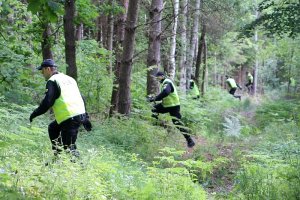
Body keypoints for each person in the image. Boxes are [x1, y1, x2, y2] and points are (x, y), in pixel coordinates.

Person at [29, 59, 92, 157]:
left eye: (42, 70)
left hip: (70, 118)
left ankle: (81, 168)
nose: (42, 73)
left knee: (69, 148)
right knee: (53, 128)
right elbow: (81, 97)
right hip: (77, 115)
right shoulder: (69, 79)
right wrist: (85, 116)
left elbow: (47, 102)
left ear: (48, 69)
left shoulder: (52, 81)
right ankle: (58, 155)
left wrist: (34, 113)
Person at [149, 71, 195, 148]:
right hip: (167, 106)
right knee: (154, 109)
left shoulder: (167, 82)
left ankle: (189, 140)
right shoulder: (164, 83)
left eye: (158, 77)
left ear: (163, 76)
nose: (157, 78)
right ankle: (156, 127)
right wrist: (154, 98)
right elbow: (164, 93)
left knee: (177, 123)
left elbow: (166, 92)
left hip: (174, 106)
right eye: (156, 77)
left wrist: (155, 99)